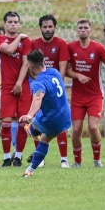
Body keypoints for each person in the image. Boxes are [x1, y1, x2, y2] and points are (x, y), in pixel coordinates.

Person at [66, 19, 105, 168]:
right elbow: (66, 70)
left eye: (85, 28)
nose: (83, 30)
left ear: (90, 30)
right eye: (80, 28)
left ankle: (97, 160)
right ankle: (77, 161)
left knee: (93, 127)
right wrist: (77, 75)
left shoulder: (98, 48)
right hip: (77, 97)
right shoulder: (71, 47)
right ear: (77, 30)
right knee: (76, 129)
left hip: (95, 95)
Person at [19, 49, 71, 177]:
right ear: (44, 61)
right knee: (44, 139)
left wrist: (29, 115)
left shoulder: (38, 83)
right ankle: (29, 170)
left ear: (30, 66)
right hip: (65, 117)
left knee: (37, 130)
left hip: (50, 120)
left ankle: (31, 130)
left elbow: (37, 98)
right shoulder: (55, 72)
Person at [28, 14, 71, 168]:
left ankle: (64, 159)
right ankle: (40, 159)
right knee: (39, 122)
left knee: (52, 123)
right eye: (44, 27)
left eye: (50, 26)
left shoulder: (61, 44)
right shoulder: (34, 44)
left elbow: (63, 68)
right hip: (39, 87)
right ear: (40, 28)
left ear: (54, 27)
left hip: (53, 89)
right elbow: (28, 65)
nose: (47, 29)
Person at [0, 11, 32, 167]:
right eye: (10, 22)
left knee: (23, 122)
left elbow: (26, 63)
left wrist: (19, 83)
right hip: (7, 86)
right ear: (5, 24)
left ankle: (18, 157)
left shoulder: (26, 41)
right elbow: (8, 50)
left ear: (19, 24)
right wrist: (18, 37)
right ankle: (7, 157)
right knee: (6, 122)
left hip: (23, 85)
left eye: (16, 22)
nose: (13, 24)